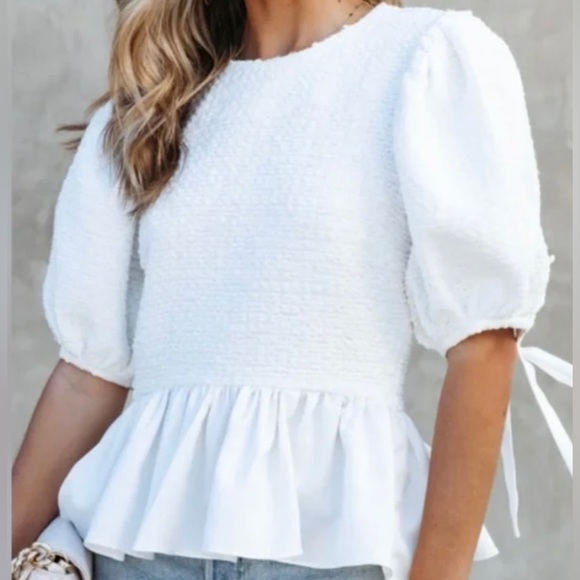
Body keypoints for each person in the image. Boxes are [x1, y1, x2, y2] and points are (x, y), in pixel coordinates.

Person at [12, 1, 572, 579]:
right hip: (137, 555)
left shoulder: (424, 59)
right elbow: (86, 377)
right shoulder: (151, 106)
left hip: (332, 552)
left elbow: (484, 348)